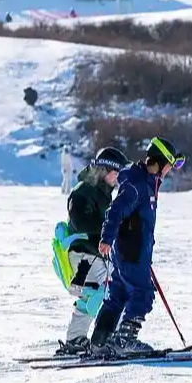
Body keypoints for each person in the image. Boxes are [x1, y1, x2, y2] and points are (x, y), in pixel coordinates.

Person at [90, 137, 185, 356]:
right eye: (170, 165)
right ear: (160, 161)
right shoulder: (137, 184)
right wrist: (106, 238)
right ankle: (125, 340)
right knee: (142, 292)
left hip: (131, 252)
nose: (170, 170)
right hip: (130, 253)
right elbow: (115, 211)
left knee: (118, 294)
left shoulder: (147, 182)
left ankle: (99, 341)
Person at [52, 147, 131, 355]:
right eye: (117, 174)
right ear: (105, 170)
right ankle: (107, 338)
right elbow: (82, 223)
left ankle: (75, 339)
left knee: (93, 295)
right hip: (82, 254)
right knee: (101, 294)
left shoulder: (102, 193)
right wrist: (109, 230)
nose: (118, 179)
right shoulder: (82, 191)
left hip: (92, 254)